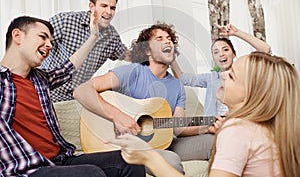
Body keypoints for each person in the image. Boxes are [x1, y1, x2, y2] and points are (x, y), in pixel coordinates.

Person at [108, 52, 300, 177]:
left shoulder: (238, 131)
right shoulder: (267, 129)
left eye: (232, 76)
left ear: (253, 95)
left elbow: (178, 126)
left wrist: (148, 157)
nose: (223, 75)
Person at [0, 15, 145, 177]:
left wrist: (93, 37)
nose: (49, 45)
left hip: (60, 160)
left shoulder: (41, 79)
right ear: (17, 36)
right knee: (91, 174)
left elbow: (69, 68)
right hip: (26, 170)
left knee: (132, 159)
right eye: (42, 37)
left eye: (51, 40)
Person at [74, 22, 223, 174]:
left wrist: (205, 127)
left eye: (169, 38)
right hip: (128, 145)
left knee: (218, 141)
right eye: (159, 39)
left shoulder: (177, 86)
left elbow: (178, 127)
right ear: (147, 50)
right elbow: (81, 90)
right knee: (171, 161)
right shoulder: (132, 72)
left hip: (165, 142)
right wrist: (117, 116)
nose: (167, 41)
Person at [41, 0, 129, 103]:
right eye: (104, 6)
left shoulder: (112, 37)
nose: (109, 12)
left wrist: (149, 47)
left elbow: (129, 56)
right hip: (47, 93)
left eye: (112, 8)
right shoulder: (65, 21)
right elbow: (37, 42)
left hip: (75, 99)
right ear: (92, 6)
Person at [171, 24, 271, 117]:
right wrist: (170, 56)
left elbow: (266, 50)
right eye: (216, 52)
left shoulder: (244, 74)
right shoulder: (211, 78)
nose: (221, 54)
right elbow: (181, 77)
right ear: (214, 58)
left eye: (225, 50)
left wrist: (237, 33)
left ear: (234, 53)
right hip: (212, 128)